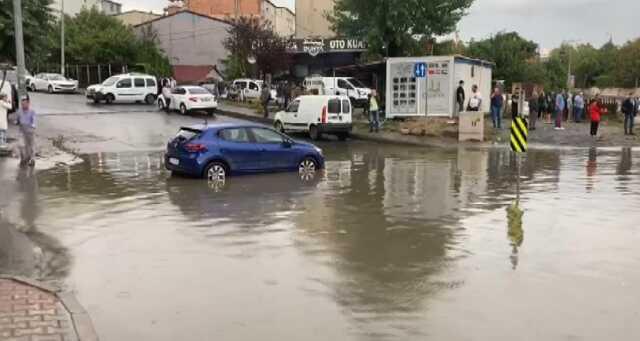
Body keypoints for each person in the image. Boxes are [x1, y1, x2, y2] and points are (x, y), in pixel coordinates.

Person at [17, 95, 36, 167]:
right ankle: (23, 158)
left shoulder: (32, 111)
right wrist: (16, 122)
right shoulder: (19, 111)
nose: (23, 105)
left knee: (30, 146)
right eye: (22, 104)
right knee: (21, 145)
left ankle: (32, 159)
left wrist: (33, 126)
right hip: (22, 130)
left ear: (28, 103)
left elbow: (34, 120)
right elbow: (18, 120)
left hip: (30, 130)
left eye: (24, 104)